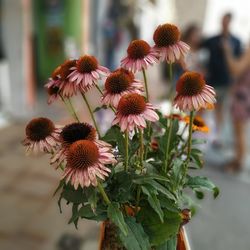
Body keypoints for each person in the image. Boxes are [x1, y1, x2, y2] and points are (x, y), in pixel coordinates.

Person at [203, 13, 242, 146]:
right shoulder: (212, 40)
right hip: (211, 81)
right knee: (205, 108)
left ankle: (216, 136)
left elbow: (238, 64)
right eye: (223, 21)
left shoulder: (236, 41)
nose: (224, 23)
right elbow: (201, 54)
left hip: (226, 82)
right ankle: (199, 133)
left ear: (230, 22)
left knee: (220, 110)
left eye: (227, 21)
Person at [223, 40, 250, 172]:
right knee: (241, 129)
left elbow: (235, 69)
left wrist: (228, 52)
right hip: (247, 95)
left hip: (243, 95)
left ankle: (238, 162)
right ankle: (238, 159)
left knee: (239, 130)